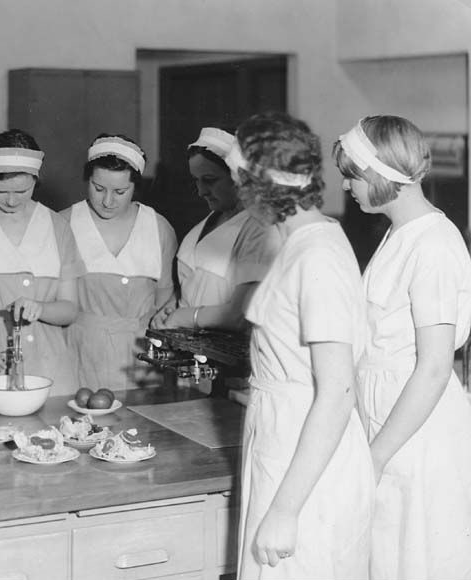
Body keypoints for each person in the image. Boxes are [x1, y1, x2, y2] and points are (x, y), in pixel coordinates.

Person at [232, 112, 374, 579]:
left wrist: (285, 510)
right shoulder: (302, 244)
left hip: (306, 464)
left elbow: (337, 392)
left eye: (239, 181)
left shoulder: (318, 255)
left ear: (259, 185)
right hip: (285, 440)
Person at [334, 115, 471, 579]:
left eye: (351, 174)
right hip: (388, 419)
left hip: (416, 430)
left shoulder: (433, 244)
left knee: (416, 561)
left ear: (379, 172)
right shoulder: (399, 233)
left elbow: (434, 367)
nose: (347, 187)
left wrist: (375, 456)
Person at [0, 129, 81, 396]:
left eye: (22, 190)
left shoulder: (58, 227)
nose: (11, 200)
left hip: (49, 363)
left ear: (36, 179)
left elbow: (70, 309)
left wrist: (40, 308)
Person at [62, 134, 177, 390]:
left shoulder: (158, 228)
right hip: (79, 353)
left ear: (137, 187)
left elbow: (165, 300)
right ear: (87, 180)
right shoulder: (66, 223)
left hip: (142, 358)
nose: (107, 201)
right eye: (98, 188)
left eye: (120, 191)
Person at [151, 127, 279, 331]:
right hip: (192, 348)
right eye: (196, 180)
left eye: (210, 181)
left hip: (228, 353)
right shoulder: (207, 223)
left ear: (238, 176)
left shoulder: (258, 227)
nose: (201, 191)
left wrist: (185, 316)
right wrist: (172, 306)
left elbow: (242, 313)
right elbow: (195, 283)